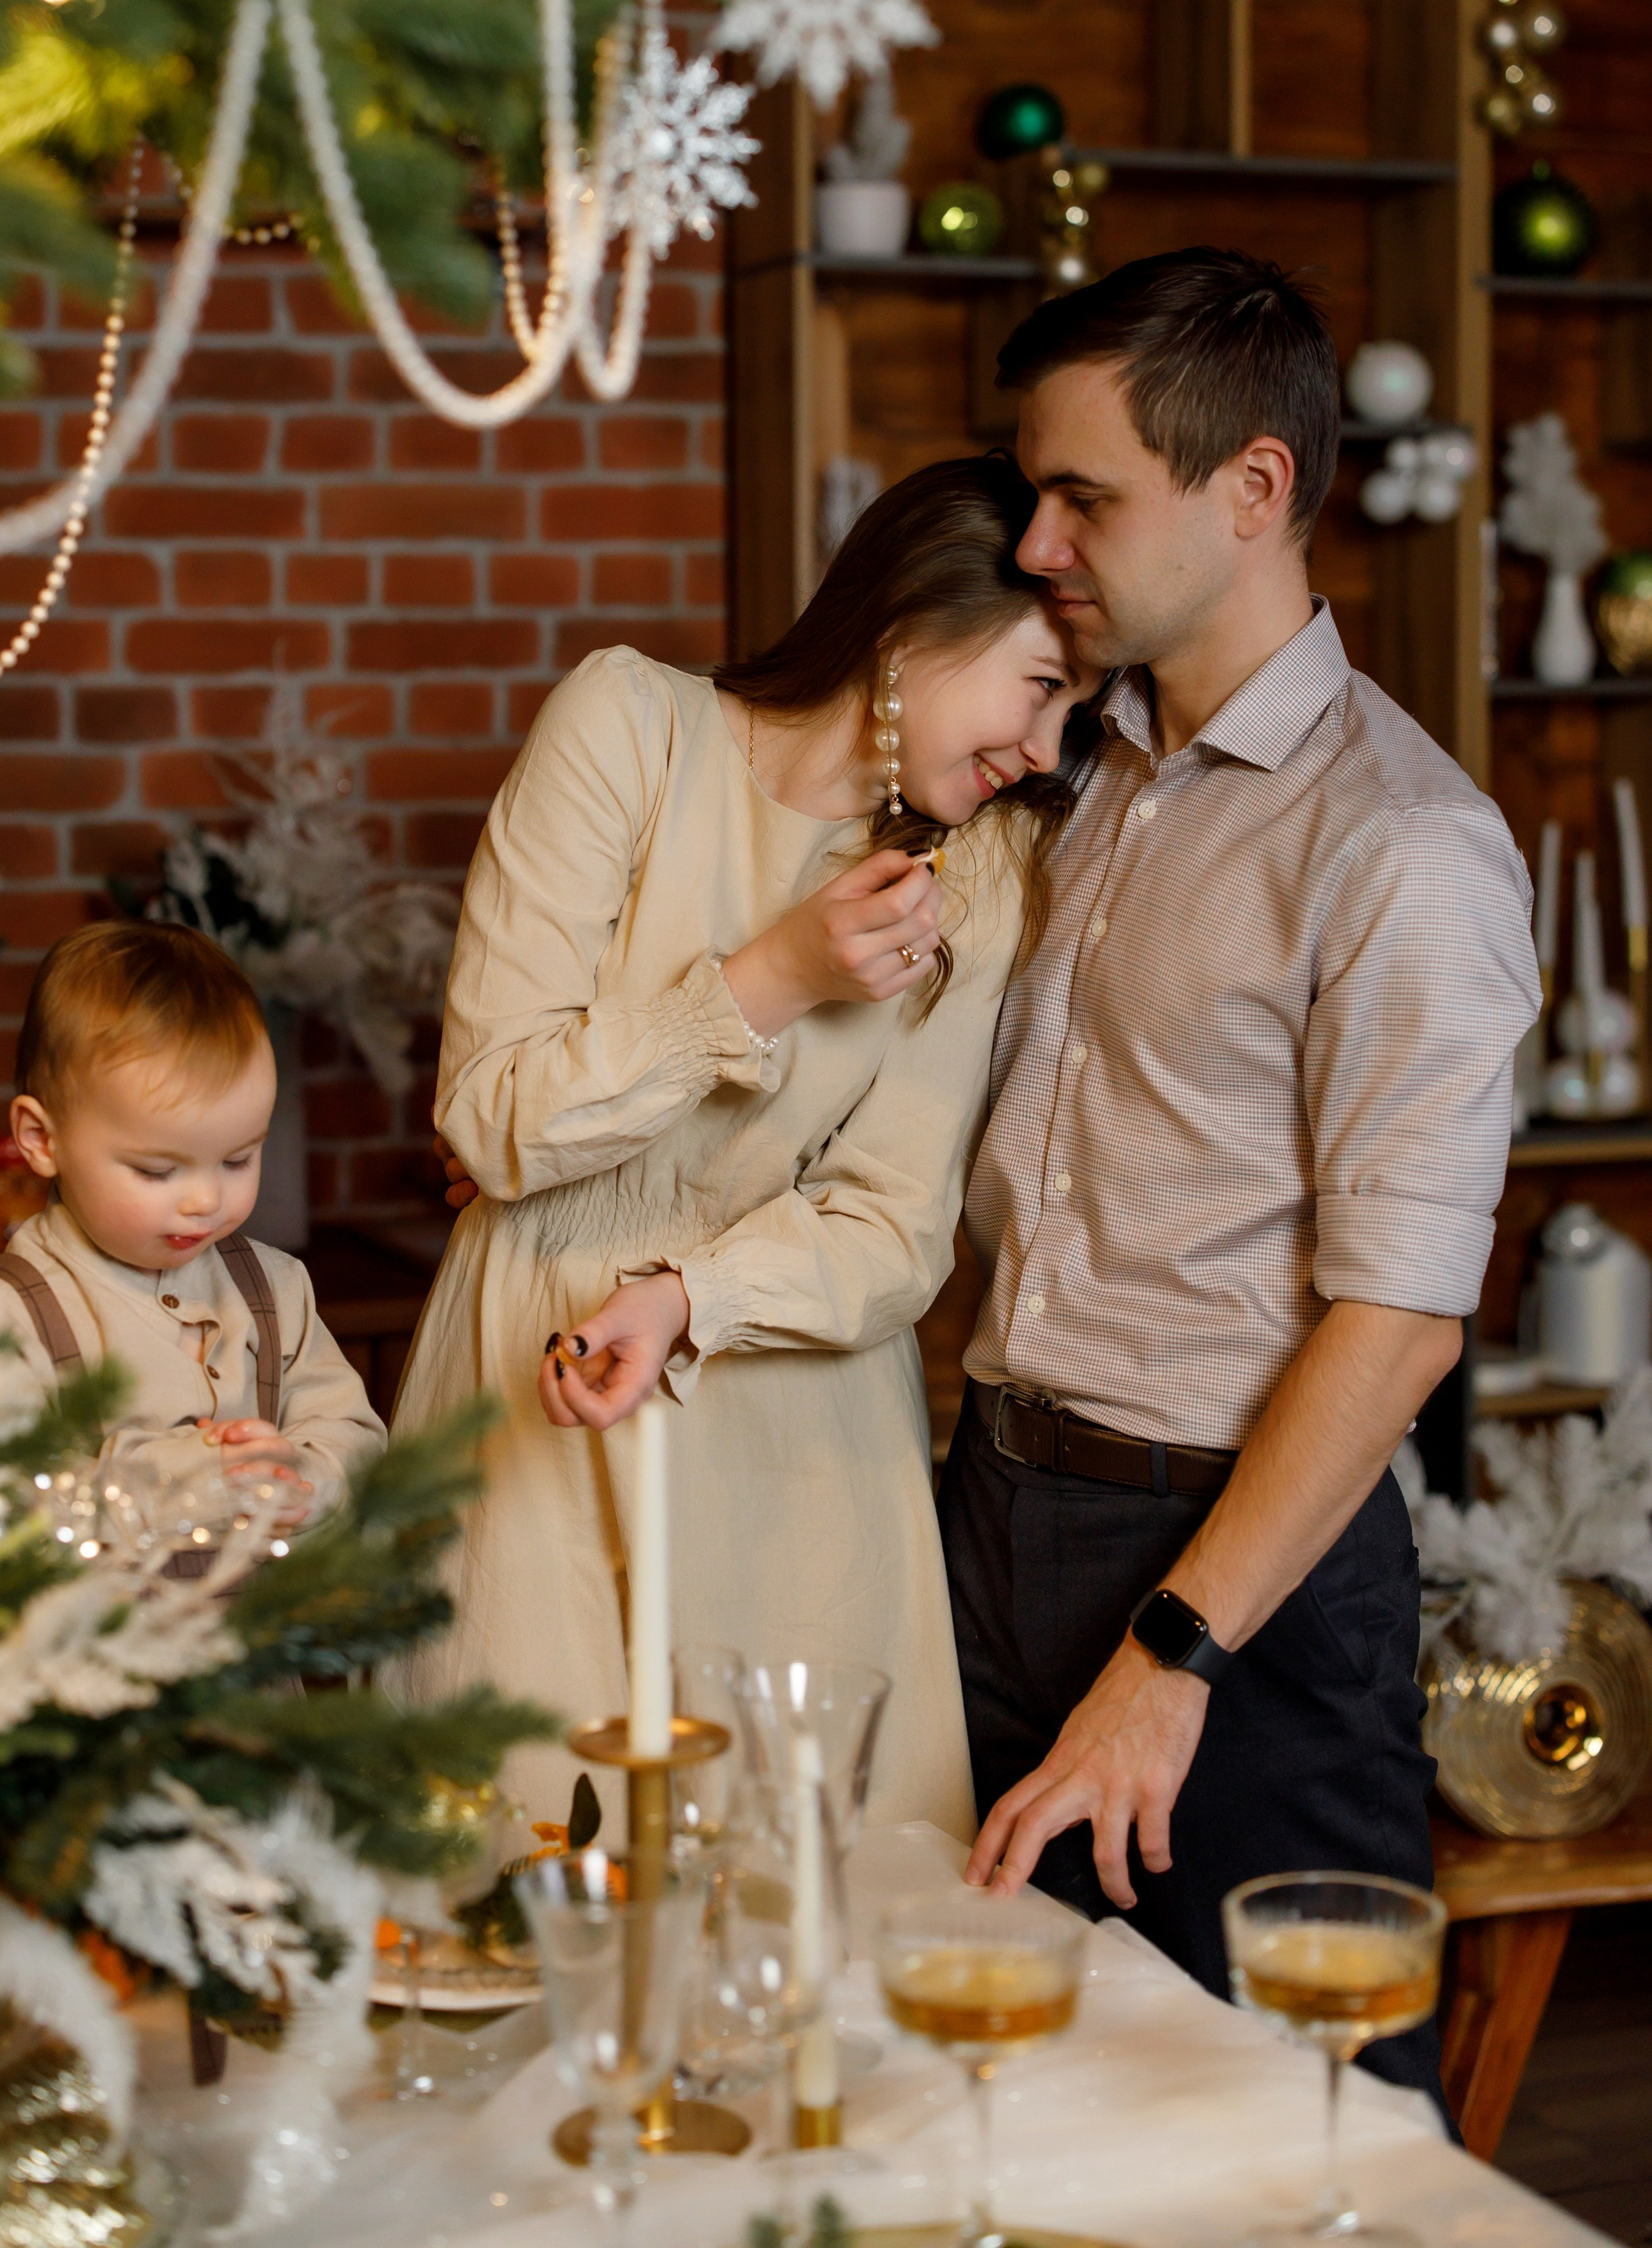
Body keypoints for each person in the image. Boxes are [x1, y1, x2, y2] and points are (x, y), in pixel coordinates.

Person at [939, 249, 1539, 2104]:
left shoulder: (1407, 845)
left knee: (1306, 2148)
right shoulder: (1085, 774)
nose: (1037, 540)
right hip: (991, 1525)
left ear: (1253, 490)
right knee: (1003, 2111)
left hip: (1236, 1598)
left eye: (1085, 497)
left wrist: (1173, 1653)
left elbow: (1404, 1320)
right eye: (1034, 493)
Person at [391, 456, 1097, 1833]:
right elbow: (492, 1113)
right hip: (536, 1373)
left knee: (814, 1912)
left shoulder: (988, 868)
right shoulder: (628, 727)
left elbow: (895, 1227)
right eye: (1038, 688)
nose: (1045, 752)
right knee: (518, 1889)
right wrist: (766, 978)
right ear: (911, 626)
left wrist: (690, 1299)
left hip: (796, 1430)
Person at [0, 921, 385, 1531]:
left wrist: (305, 1476)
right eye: (156, 1170)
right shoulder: (9, 1316)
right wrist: (193, 1473)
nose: (205, 1200)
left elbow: (354, 1432)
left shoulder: (275, 1290)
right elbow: (1, 1505)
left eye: (237, 1159)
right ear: (42, 1140)